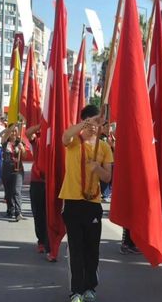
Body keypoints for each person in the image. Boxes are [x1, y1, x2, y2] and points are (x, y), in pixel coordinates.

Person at [60, 105, 113, 302]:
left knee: (92, 248)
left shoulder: (104, 147)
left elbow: (107, 177)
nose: (95, 126)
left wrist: (97, 168)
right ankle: (76, 290)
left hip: (93, 203)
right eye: (92, 122)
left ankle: (90, 287)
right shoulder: (75, 141)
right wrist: (83, 124)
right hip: (73, 201)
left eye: (98, 122)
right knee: (75, 248)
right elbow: (65, 136)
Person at [25, 124, 50, 257]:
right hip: (37, 181)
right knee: (38, 212)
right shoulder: (38, 138)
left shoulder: (57, 138)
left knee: (51, 213)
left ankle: (50, 241)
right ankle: (41, 240)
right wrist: (42, 124)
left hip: (53, 181)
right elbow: (28, 133)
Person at [1, 124, 26, 221]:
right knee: (8, 192)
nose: (14, 133)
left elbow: (25, 155)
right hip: (6, 168)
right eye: (12, 131)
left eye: (15, 131)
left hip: (17, 169)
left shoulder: (20, 142)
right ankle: (10, 209)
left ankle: (18, 212)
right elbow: (5, 135)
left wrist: (22, 148)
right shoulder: (5, 142)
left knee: (16, 191)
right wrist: (13, 124)